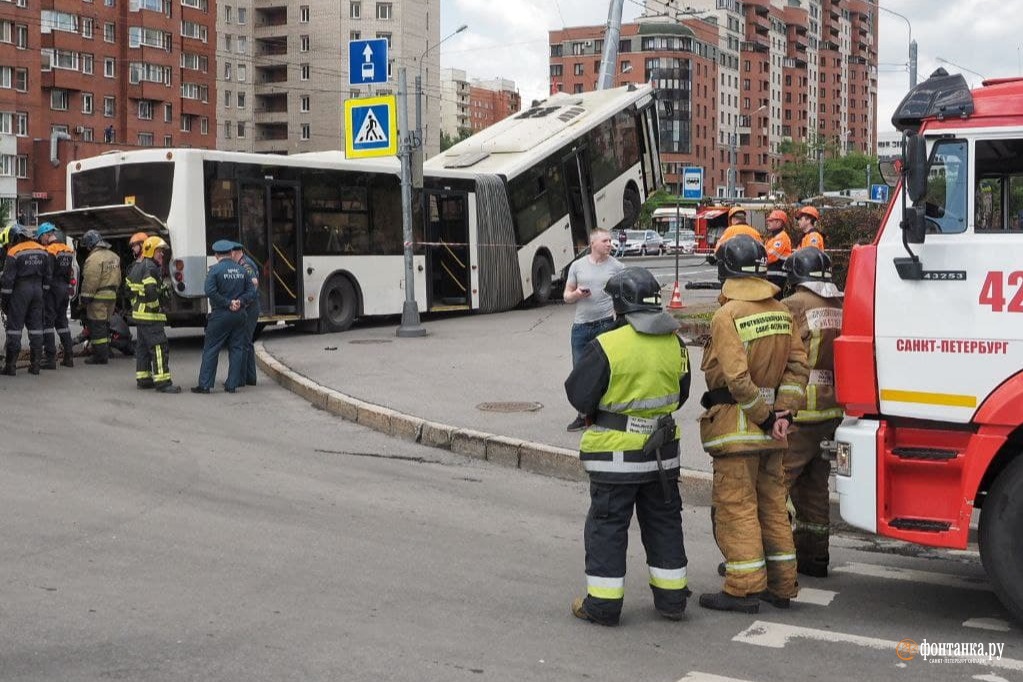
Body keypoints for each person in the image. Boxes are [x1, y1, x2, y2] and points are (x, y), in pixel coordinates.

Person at [565, 266, 692, 626]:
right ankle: (672, 601)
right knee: (664, 524)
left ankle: (602, 607)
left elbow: (579, 394)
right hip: (662, 459)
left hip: (614, 459)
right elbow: (681, 395)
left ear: (620, 306)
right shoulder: (676, 344)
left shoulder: (607, 344)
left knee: (607, 528)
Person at [698, 235, 809, 614]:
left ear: (726, 271)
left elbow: (737, 379)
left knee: (737, 506)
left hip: (739, 427)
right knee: (773, 507)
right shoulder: (781, 311)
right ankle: (781, 586)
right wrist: (785, 413)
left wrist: (763, 419)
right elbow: (797, 367)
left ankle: (743, 588)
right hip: (775, 430)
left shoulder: (727, 316)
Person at [781, 247, 844, 578]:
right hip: (831, 411)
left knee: (776, 483)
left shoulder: (795, 305)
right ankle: (814, 557)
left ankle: (771, 557)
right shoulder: (839, 306)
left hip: (799, 411)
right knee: (816, 487)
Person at [563, 228, 624, 431]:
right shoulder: (577, 266)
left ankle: (603, 414)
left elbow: (623, 295)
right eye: (605, 241)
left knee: (604, 371)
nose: (609, 244)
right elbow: (566, 296)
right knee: (580, 372)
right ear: (593, 244)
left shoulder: (617, 267)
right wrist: (577, 294)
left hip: (605, 325)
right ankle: (582, 415)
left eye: (610, 241)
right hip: (581, 327)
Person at [191, 240, 256, 394]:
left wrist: (227, 303)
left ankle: (205, 385)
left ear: (216, 255)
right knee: (237, 348)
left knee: (211, 349)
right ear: (231, 253)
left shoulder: (214, 271)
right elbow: (252, 292)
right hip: (239, 314)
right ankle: (232, 385)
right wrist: (239, 302)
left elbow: (210, 291)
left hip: (221, 314)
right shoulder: (241, 270)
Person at [126, 236, 181, 393]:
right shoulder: (151, 268)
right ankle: (163, 382)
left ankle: (144, 378)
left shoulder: (138, 266)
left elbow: (128, 289)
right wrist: (156, 306)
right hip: (150, 316)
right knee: (159, 347)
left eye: (162, 252)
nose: (162, 255)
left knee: (143, 348)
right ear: (151, 251)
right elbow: (150, 291)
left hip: (140, 315)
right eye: (159, 251)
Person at [0, 224, 51, 375]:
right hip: (38, 290)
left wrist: (5, 301)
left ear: (15, 238)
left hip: (20, 291)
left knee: (14, 329)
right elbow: (48, 275)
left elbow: (8, 280)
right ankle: (35, 365)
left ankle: (10, 366)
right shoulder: (43, 250)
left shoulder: (14, 252)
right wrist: (44, 293)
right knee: (36, 328)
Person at [78, 229, 121, 365]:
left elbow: (91, 280)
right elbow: (119, 278)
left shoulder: (93, 259)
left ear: (91, 244)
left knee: (97, 327)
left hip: (98, 297)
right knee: (106, 325)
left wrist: (85, 299)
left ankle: (100, 356)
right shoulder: (114, 256)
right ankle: (107, 351)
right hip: (112, 295)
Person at [35, 222, 76, 368]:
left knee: (48, 323)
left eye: (41, 237)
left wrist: (43, 292)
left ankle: (50, 358)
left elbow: (48, 274)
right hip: (64, 289)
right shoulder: (67, 250)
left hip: (52, 289)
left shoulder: (50, 251)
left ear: (46, 235)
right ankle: (69, 356)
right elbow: (69, 272)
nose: (41, 241)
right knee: (62, 322)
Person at [231, 242, 261, 386]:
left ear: (236, 252)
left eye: (231, 253)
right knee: (247, 342)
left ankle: (241, 379)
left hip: (250, 307)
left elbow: (254, 282)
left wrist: (244, 301)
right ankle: (250, 378)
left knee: (243, 342)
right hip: (250, 306)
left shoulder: (245, 264)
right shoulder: (243, 262)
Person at [764, 210, 792, 294]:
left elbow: (770, 256)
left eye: (771, 221)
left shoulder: (782, 238)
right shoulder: (773, 239)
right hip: (773, 276)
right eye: (768, 220)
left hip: (778, 278)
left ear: (779, 222)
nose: (768, 222)